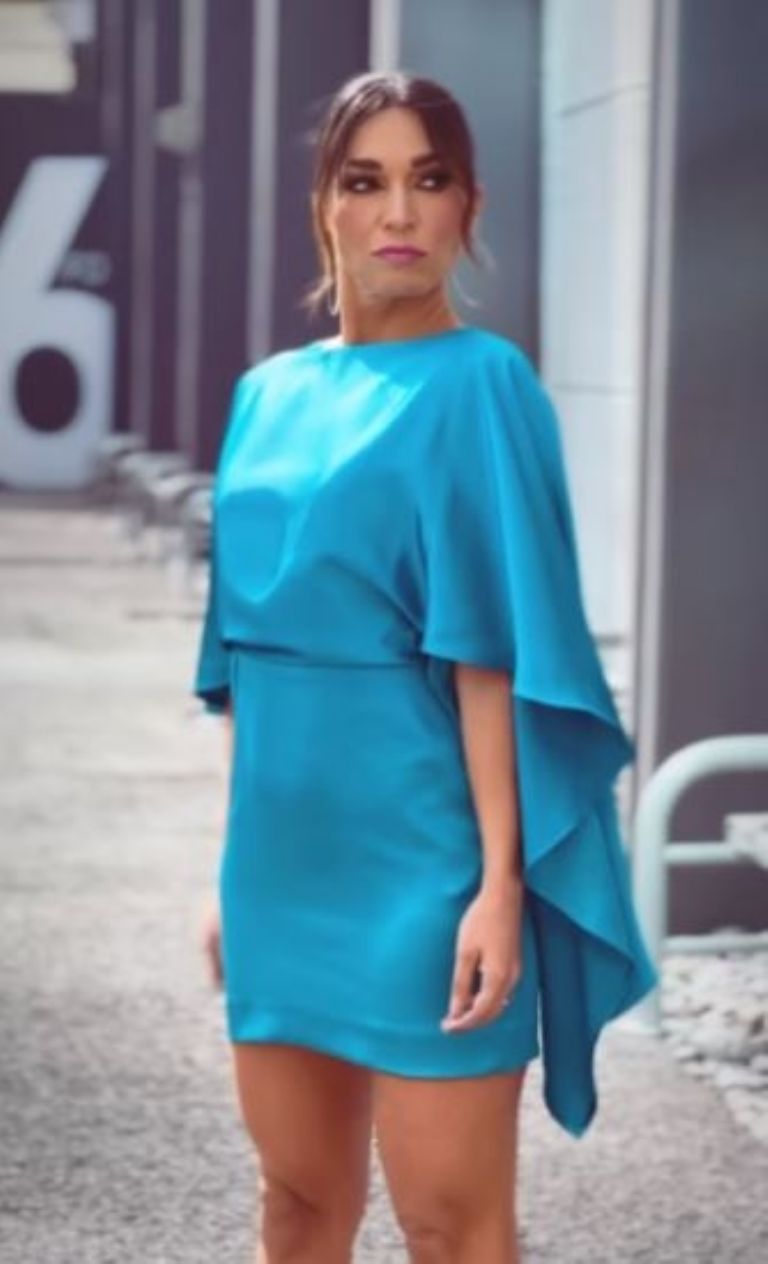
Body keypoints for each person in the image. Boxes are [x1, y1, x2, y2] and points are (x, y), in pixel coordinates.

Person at [192, 70, 658, 1264]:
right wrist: (230, 872)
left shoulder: (483, 384)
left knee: (450, 1225)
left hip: (427, 867)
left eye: (428, 179)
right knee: (298, 1206)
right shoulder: (264, 395)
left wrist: (498, 887)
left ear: (467, 209)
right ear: (324, 207)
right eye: (366, 182)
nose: (397, 210)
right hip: (281, 868)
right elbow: (242, 659)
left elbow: (492, 657)